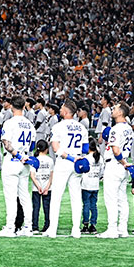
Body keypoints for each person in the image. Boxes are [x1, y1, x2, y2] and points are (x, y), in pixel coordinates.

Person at [47, 100, 89, 238]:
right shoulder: (81, 127)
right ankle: (76, 229)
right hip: (77, 163)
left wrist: (71, 158)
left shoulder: (58, 126)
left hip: (65, 161)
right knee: (76, 197)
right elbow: (85, 148)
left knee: (56, 196)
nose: (60, 110)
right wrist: (79, 159)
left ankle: (53, 229)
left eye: (61, 108)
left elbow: (55, 147)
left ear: (65, 112)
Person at [0, 95, 36, 237]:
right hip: (25, 160)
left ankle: (10, 227)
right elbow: (32, 145)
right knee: (25, 195)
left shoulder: (10, 122)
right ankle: (28, 227)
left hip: (13, 159)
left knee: (11, 197)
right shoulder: (30, 124)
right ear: (24, 106)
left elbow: (6, 144)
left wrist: (17, 154)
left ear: (12, 106)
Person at [99, 102, 133, 239]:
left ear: (120, 113)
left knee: (111, 199)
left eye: (115, 108)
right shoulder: (129, 128)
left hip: (115, 164)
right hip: (123, 166)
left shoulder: (116, 128)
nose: (113, 110)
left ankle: (112, 229)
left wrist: (123, 162)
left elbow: (115, 149)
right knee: (122, 199)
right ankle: (122, 229)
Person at [31, 140, 54, 233]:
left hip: (36, 187)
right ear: (46, 149)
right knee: (47, 207)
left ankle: (35, 226)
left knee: (36, 207)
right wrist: (47, 187)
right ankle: (47, 225)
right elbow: (51, 175)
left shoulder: (34, 159)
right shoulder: (50, 160)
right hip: (47, 187)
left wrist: (38, 186)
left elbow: (32, 175)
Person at [81, 139, 102, 234]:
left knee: (86, 204)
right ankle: (93, 225)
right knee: (93, 205)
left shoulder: (86, 158)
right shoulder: (100, 157)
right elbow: (102, 171)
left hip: (86, 184)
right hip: (95, 184)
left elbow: (81, 171)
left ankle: (85, 224)